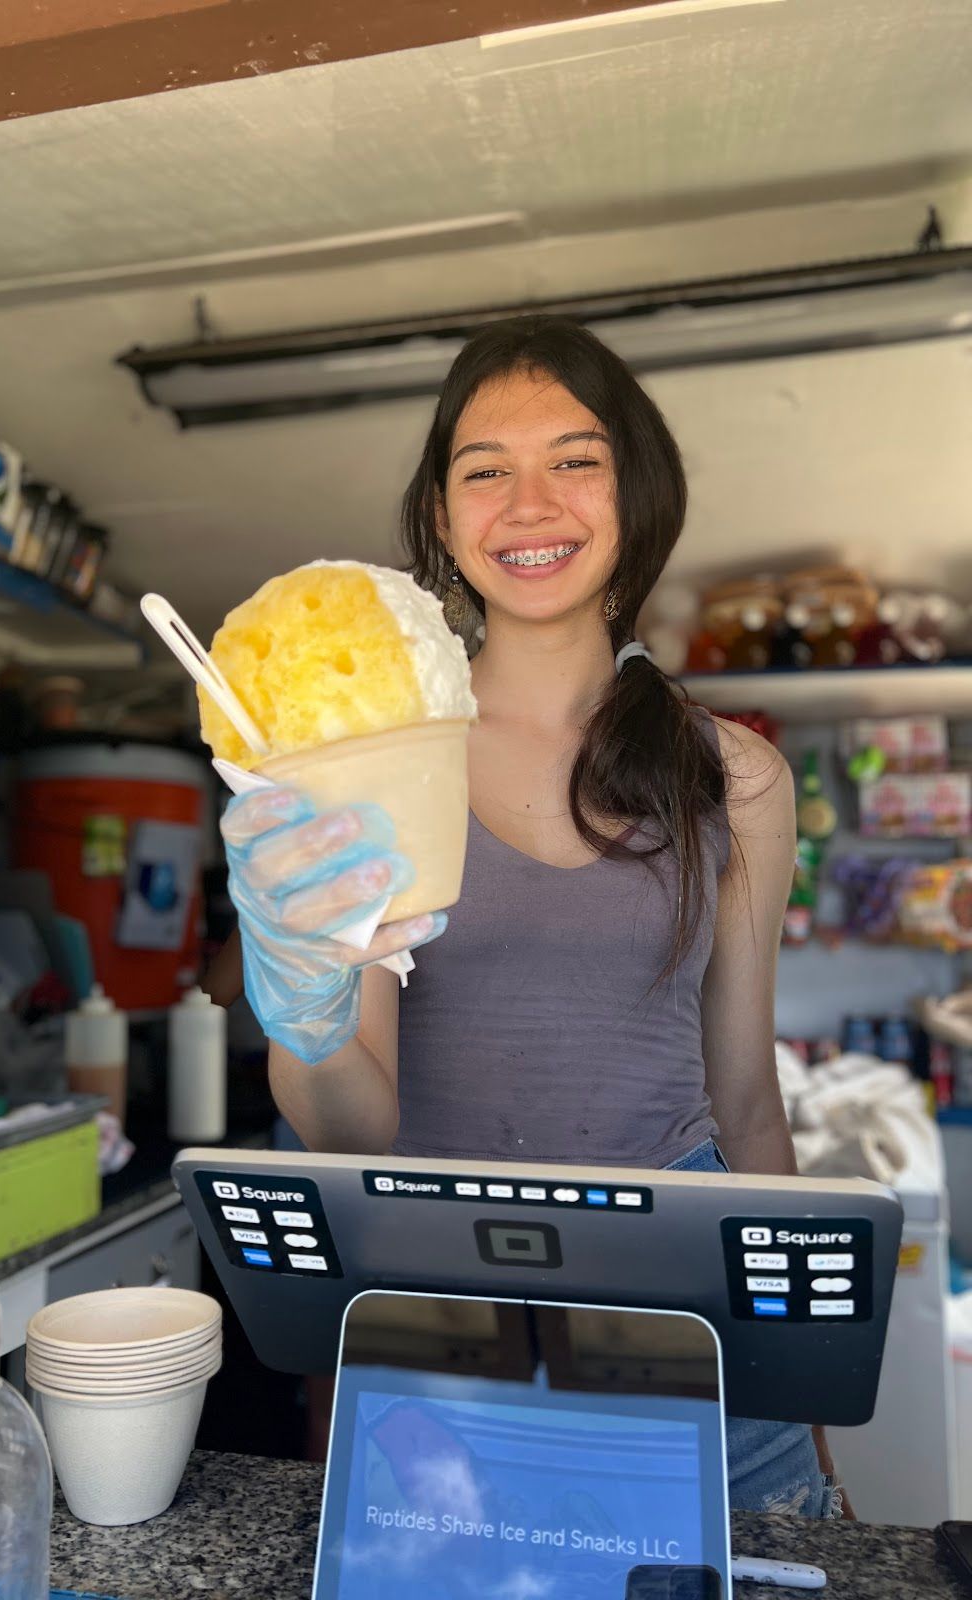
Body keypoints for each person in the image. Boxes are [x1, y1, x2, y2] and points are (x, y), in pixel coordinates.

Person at [217, 315, 844, 1517]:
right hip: (444, 1336)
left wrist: (801, 1409)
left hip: (692, 1330)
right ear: (444, 518)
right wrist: (298, 997)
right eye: (484, 470)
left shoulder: (737, 777)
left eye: (577, 458)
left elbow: (748, 1100)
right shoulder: (374, 765)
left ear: (635, 492)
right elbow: (352, 1123)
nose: (530, 502)